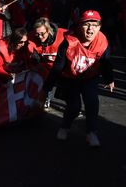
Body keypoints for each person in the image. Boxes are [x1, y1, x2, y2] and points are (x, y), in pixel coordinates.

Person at [42, 10, 114, 147]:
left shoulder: (103, 43)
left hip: (90, 78)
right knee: (74, 107)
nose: (90, 28)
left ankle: (91, 132)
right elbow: (58, 66)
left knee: (92, 102)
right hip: (70, 78)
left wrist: (109, 78)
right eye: (86, 24)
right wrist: (47, 87)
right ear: (80, 25)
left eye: (94, 25)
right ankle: (65, 126)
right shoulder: (68, 42)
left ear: (99, 27)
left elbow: (106, 62)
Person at [28, 17, 67, 108]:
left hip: (62, 66)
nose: (40, 37)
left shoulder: (63, 35)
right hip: (45, 67)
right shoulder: (32, 37)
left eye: (42, 34)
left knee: (68, 87)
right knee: (44, 76)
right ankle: (45, 99)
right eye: (37, 34)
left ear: (49, 30)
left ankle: (72, 105)